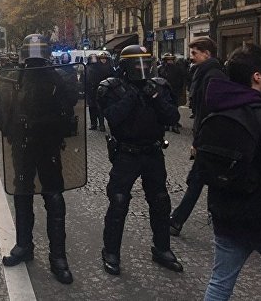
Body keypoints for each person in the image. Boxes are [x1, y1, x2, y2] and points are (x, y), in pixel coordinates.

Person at [0, 34, 77, 284]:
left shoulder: (57, 77)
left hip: (48, 146)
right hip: (23, 146)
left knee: (54, 198)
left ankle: (58, 257)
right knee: (22, 194)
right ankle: (24, 245)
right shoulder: (13, 78)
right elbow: (1, 110)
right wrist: (14, 132)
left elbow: (71, 105)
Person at [97, 44, 183, 275]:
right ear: (125, 66)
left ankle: (162, 248)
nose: (142, 69)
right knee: (118, 202)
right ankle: (111, 251)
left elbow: (172, 117)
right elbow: (112, 118)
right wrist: (132, 97)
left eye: (145, 64)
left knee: (160, 201)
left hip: (153, 152)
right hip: (126, 153)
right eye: (137, 64)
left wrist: (154, 97)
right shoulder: (111, 87)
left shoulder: (159, 86)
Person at [201, 43, 261, 300]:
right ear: (256, 76)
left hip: (224, 212)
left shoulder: (219, 109)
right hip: (260, 216)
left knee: (219, 283)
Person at [170, 37, 227, 236]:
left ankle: (177, 220)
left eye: (195, 53)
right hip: (208, 135)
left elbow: (208, 110)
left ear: (207, 54)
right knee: (204, 177)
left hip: (210, 137)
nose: (191, 57)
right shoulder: (204, 73)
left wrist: (198, 140)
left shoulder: (213, 75)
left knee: (198, 178)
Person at [158, 52, 187, 134]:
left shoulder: (177, 68)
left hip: (174, 91)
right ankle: (168, 124)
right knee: (166, 107)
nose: (170, 61)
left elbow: (182, 80)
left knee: (173, 107)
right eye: (168, 60)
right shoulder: (161, 68)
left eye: (171, 60)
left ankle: (174, 124)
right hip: (166, 91)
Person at [86, 52, 113, 131]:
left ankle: (101, 125)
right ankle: (93, 124)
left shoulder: (99, 67)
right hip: (90, 90)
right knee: (92, 108)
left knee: (99, 108)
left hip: (99, 89)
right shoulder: (87, 67)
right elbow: (85, 78)